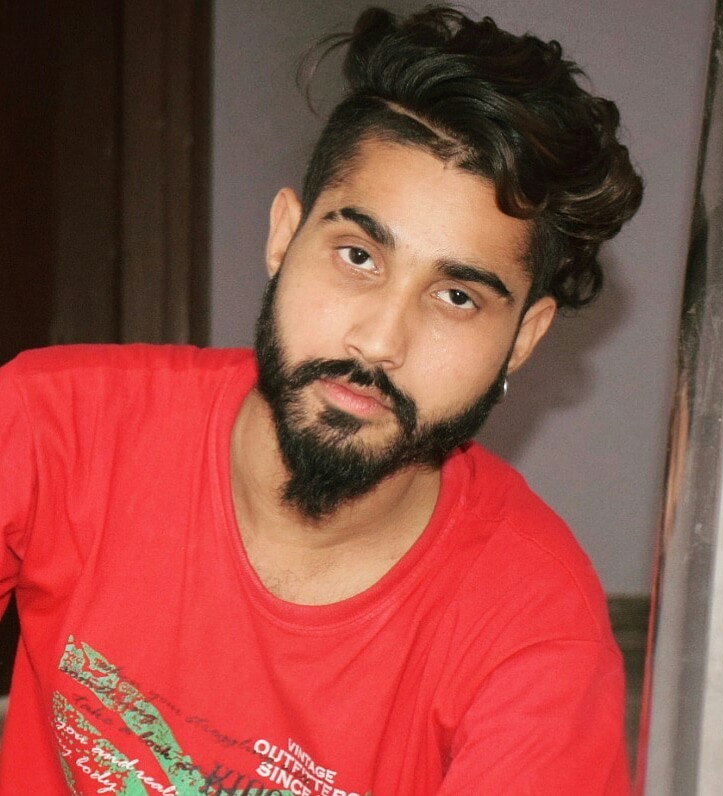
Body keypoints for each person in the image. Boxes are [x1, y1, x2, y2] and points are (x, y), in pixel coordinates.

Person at [0, 6, 642, 794]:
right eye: (357, 255)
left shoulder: (534, 637)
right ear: (284, 236)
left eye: (456, 297)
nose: (379, 340)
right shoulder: (54, 427)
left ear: (522, 338)